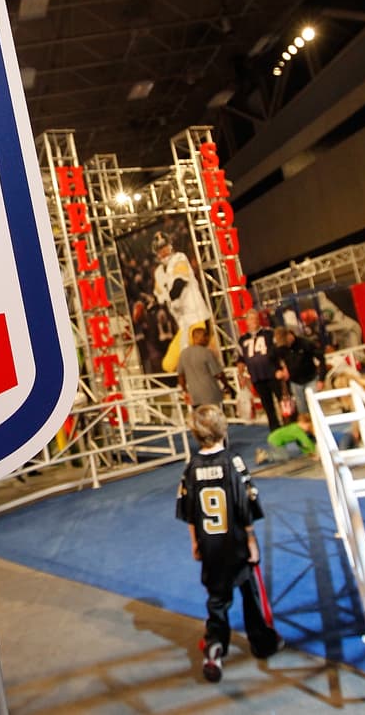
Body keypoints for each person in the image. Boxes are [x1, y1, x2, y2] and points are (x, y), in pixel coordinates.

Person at [175, 405, 282, 682]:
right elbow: (244, 502)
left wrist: (194, 542)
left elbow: (189, 510)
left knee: (217, 600)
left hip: (210, 545)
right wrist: (250, 539)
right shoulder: (232, 462)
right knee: (249, 592)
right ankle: (262, 642)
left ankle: (214, 646)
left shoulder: (191, 468)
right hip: (235, 542)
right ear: (223, 428)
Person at [152, 232, 211, 374]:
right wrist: (154, 304)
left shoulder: (179, 258)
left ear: (170, 246)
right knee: (168, 364)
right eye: (160, 250)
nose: (164, 252)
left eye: (165, 247)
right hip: (183, 324)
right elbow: (159, 296)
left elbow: (179, 283)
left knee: (193, 358)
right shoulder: (159, 272)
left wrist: (171, 298)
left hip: (197, 319)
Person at [237, 308, 282, 430]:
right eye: (251, 319)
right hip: (257, 375)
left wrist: (282, 368)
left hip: (273, 372)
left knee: (282, 399)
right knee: (267, 404)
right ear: (246, 321)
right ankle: (275, 427)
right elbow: (241, 359)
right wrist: (241, 375)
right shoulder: (242, 339)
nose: (254, 321)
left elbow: (279, 351)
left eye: (256, 318)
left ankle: (290, 423)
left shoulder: (268, 333)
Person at [274, 326, 326, 418]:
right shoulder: (282, 348)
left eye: (286, 343)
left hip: (311, 379)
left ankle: (319, 426)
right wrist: (280, 370)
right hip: (295, 383)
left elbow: (322, 359)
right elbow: (273, 359)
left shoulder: (306, 343)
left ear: (289, 335)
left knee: (315, 406)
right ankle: (306, 429)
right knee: (302, 411)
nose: (286, 346)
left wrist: (321, 379)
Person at [177, 322, 230, 409]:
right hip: (211, 394)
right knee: (216, 419)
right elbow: (218, 373)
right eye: (206, 337)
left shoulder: (183, 354)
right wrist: (226, 385)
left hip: (195, 396)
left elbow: (181, 376)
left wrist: (185, 390)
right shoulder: (207, 353)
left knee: (201, 420)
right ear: (204, 338)